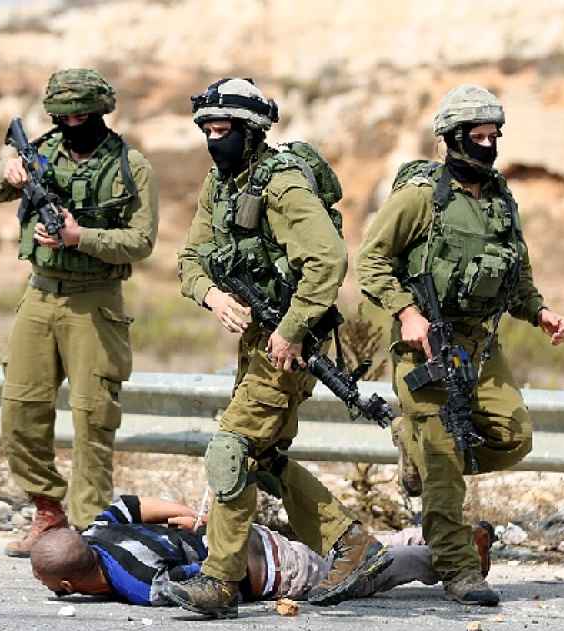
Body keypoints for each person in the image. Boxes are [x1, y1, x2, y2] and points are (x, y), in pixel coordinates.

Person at [170, 77, 391, 619]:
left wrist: (291, 329)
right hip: (256, 339)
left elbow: (328, 260)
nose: (214, 139)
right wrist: (213, 296)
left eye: (224, 129)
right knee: (263, 458)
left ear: (250, 132)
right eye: (207, 130)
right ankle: (351, 543)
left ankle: (220, 582)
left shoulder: (282, 184)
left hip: (292, 340)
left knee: (231, 448)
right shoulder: (220, 185)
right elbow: (190, 259)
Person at [356, 84, 564, 606]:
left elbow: (516, 274)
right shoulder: (420, 198)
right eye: (478, 136)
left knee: (513, 436)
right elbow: (371, 261)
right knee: (444, 463)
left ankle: (416, 447)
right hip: (426, 345)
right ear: (452, 138)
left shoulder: (501, 200)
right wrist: (406, 312)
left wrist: (539, 312)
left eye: (494, 136)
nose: (488, 145)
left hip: (481, 345)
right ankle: (458, 568)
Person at [0, 68, 159, 557]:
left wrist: (81, 238)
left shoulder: (130, 166)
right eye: (64, 117)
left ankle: (89, 531)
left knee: (93, 419)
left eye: (82, 116)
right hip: (39, 297)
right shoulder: (40, 154)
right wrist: (6, 170)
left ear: (101, 112)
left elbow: (141, 241)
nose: (73, 124)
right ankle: (47, 511)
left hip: (94, 302)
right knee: (20, 410)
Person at [30, 495, 495, 606]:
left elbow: (209, 581)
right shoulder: (98, 530)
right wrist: (191, 517)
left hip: (273, 570)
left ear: (68, 586)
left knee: (364, 575)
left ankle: (454, 558)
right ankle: (435, 539)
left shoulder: (137, 583)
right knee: (335, 557)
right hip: (249, 535)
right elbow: (130, 504)